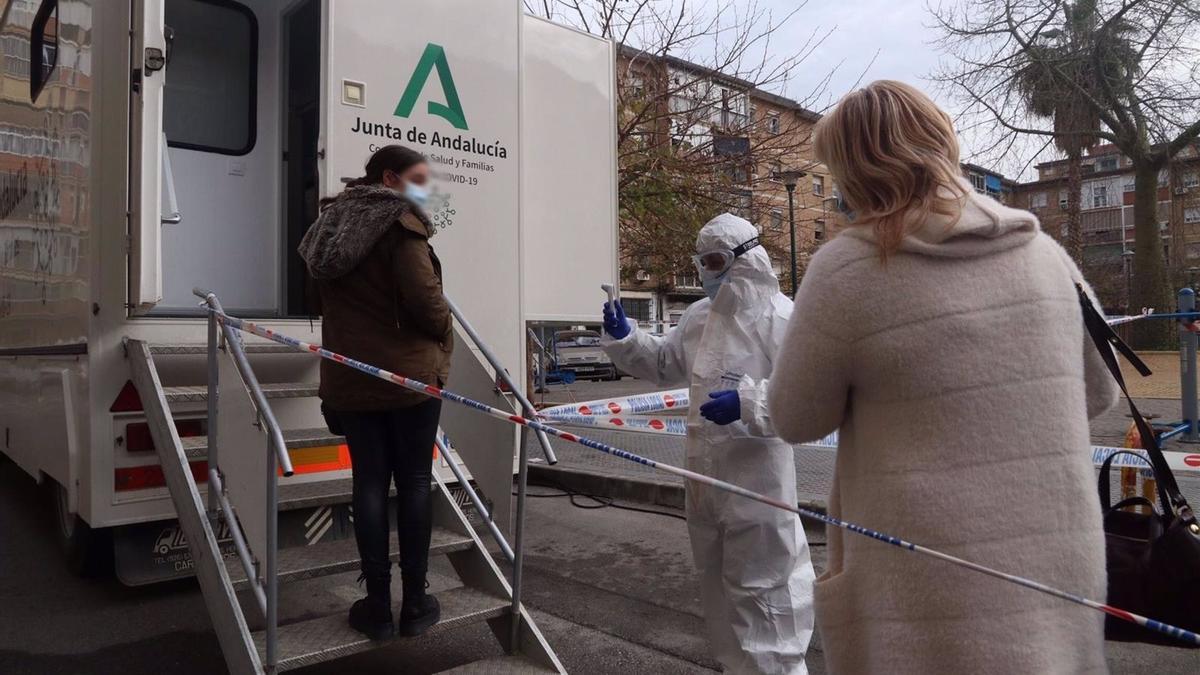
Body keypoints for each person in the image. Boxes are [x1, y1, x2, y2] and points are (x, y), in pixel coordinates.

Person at [766, 81, 1118, 674]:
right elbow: (1099, 392)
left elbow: (795, 417)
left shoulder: (849, 268)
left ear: (856, 169)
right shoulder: (1045, 254)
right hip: (1055, 560)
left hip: (923, 581)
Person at [601, 214, 815, 674]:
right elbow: (664, 361)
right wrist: (626, 338)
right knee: (719, 593)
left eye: (714, 261)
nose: (706, 273)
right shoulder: (700, 316)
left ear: (746, 259)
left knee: (768, 596)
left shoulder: (783, 318)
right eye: (702, 262)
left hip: (759, 489)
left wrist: (749, 404)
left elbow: (805, 396)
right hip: (705, 482)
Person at [298, 145, 450, 640]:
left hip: (349, 380)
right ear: (389, 177)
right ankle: (415, 603)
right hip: (407, 381)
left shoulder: (329, 226)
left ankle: (377, 607)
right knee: (412, 481)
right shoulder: (399, 223)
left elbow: (311, 296)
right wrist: (445, 326)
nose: (425, 187)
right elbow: (426, 301)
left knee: (367, 482)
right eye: (418, 177)